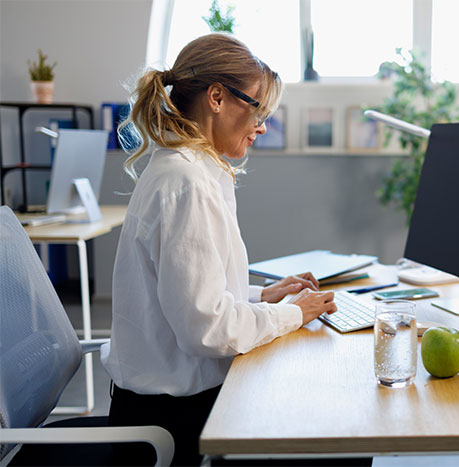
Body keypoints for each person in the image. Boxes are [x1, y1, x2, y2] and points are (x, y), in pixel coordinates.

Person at [101, 33, 338, 466]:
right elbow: (205, 329)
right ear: (216, 97)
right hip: (170, 426)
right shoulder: (186, 183)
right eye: (257, 109)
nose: (262, 125)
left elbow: (188, 293)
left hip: (173, 406)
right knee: (335, 442)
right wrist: (293, 313)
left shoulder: (193, 169)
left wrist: (260, 296)